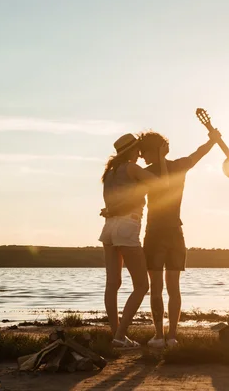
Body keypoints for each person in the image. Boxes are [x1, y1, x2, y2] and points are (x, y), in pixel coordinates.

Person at [138, 129, 221, 348]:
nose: (141, 156)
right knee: (167, 287)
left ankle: (164, 335)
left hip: (159, 233)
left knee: (162, 287)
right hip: (172, 233)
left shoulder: (148, 172)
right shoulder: (175, 166)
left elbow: (199, 153)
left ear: (154, 150)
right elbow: (199, 153)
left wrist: (211, 141)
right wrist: (211, 141)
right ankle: (167, 335)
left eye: (144, 152)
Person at [98, 133, 168, 350]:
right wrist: (162, 159)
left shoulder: (109, 173)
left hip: (109, 227)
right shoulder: (132, 168)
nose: (140, 153)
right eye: (137, 149)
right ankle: (120, 337)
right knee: (141, 285)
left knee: (113, 284)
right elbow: (163, 185)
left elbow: (112, 203)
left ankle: (116, 336)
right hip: (127, 227)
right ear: (131, 151)